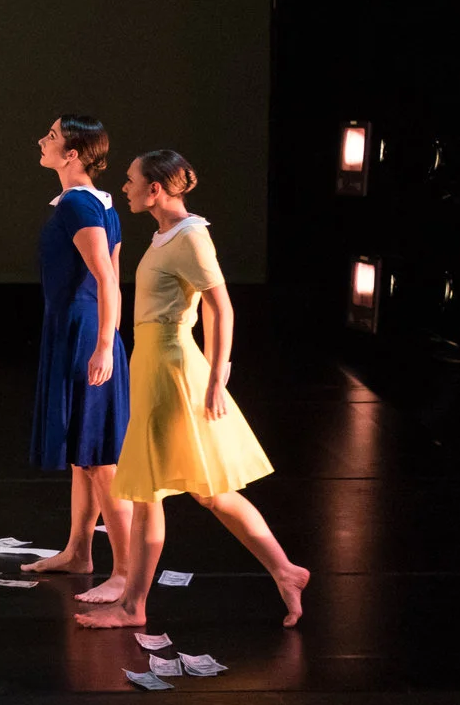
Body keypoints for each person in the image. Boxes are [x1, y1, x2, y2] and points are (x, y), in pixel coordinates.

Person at [77, 150, 309, 629]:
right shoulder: (166, 235)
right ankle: (285, 570)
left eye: (132, 180)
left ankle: (133, 606)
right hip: (155, 365)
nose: (125, 187)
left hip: (172, 369)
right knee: (209, 491)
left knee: (152, 491)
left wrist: (218, 375)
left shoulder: (191, 236)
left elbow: (220, 307)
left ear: (155, 189)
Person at [21, 116, 133, 581]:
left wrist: (104, 346)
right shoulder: (98, 203)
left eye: (51, 136)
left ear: (72, 154)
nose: (41, 140)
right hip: (79, 329)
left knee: (100, 459)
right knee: (83, 456)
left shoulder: (78, 205)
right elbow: (113, 280)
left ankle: (125, 573)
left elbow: (107, 278)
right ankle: (79, 552)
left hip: (84, 332)